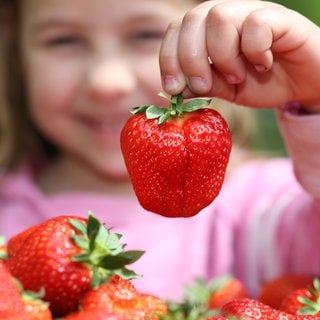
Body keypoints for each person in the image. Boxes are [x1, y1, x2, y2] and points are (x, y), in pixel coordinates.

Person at [0, 0, 319, 301]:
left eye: (145, 35)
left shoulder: (257, 206)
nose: (108, 82)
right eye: (63, 41)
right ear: (16, 56)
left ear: (215, 43)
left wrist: (315, 91)